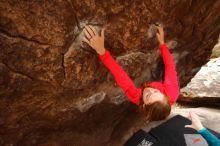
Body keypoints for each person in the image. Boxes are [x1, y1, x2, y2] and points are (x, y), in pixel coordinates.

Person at [83, 25, 179, 121]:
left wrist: (102, 52)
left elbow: (121, 77)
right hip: (168, 87)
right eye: (156, 91)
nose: (149, 90)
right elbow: (170, 67)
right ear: (164, 95)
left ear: (144, 105)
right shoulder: (171, 91)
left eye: (148, 96)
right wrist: (162, 44)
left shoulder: (137, 97)